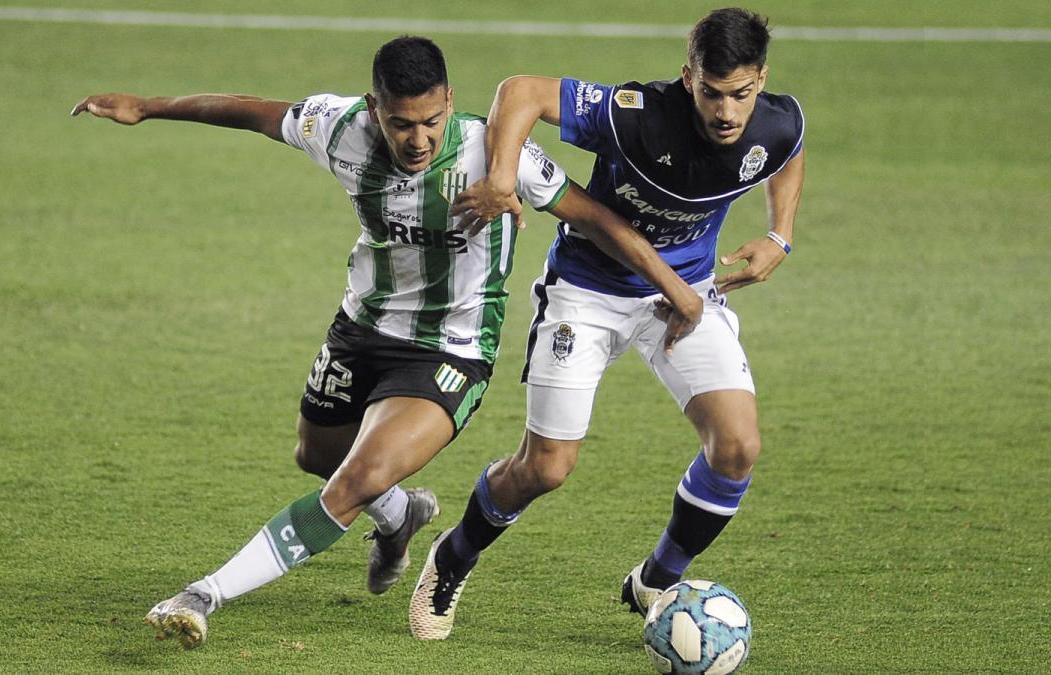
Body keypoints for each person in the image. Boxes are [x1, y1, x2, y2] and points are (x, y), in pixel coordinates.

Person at [72, 36, 702, 648]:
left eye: (430, 121)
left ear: (450, 101)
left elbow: (597, 219)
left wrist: (676, 289)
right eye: (401, 123)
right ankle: (400, 516)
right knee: (317, 455)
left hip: (450, 351)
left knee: (352, 481)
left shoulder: (492, 153)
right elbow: (250, 112)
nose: (418, 139)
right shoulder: (339, 128)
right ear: (375, 108)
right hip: (360, 329)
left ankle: (201, 595)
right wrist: (149, 106)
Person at [408, 8, 805, 640]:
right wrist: (503, 178)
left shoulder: (777, 121)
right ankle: (455, 555)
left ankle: (657, 578)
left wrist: (780, 235)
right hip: (587, 295)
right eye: (711, 92)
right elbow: (521, 92)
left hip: (682, 301)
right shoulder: (636, 114)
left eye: (741, 94)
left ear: (760, 80)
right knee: (546, 469)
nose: (727, 112)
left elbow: (784, 153)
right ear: (688, 76)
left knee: (736, 448)